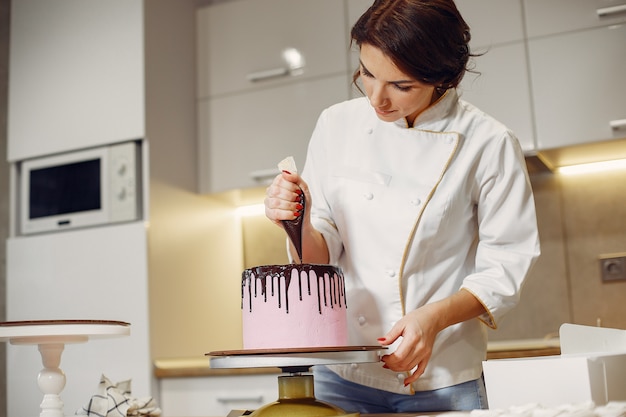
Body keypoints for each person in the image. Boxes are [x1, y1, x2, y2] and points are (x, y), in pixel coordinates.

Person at [264, 0, 540, 413]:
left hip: (443, 377)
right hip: (342, 370)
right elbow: (322, 253)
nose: (378, 99)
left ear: (444, 76)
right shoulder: (336, 125)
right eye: (367, 73)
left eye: (402, 85)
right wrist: (296, 220)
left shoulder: (489, 142)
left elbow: (506, 264)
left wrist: (431, 320)